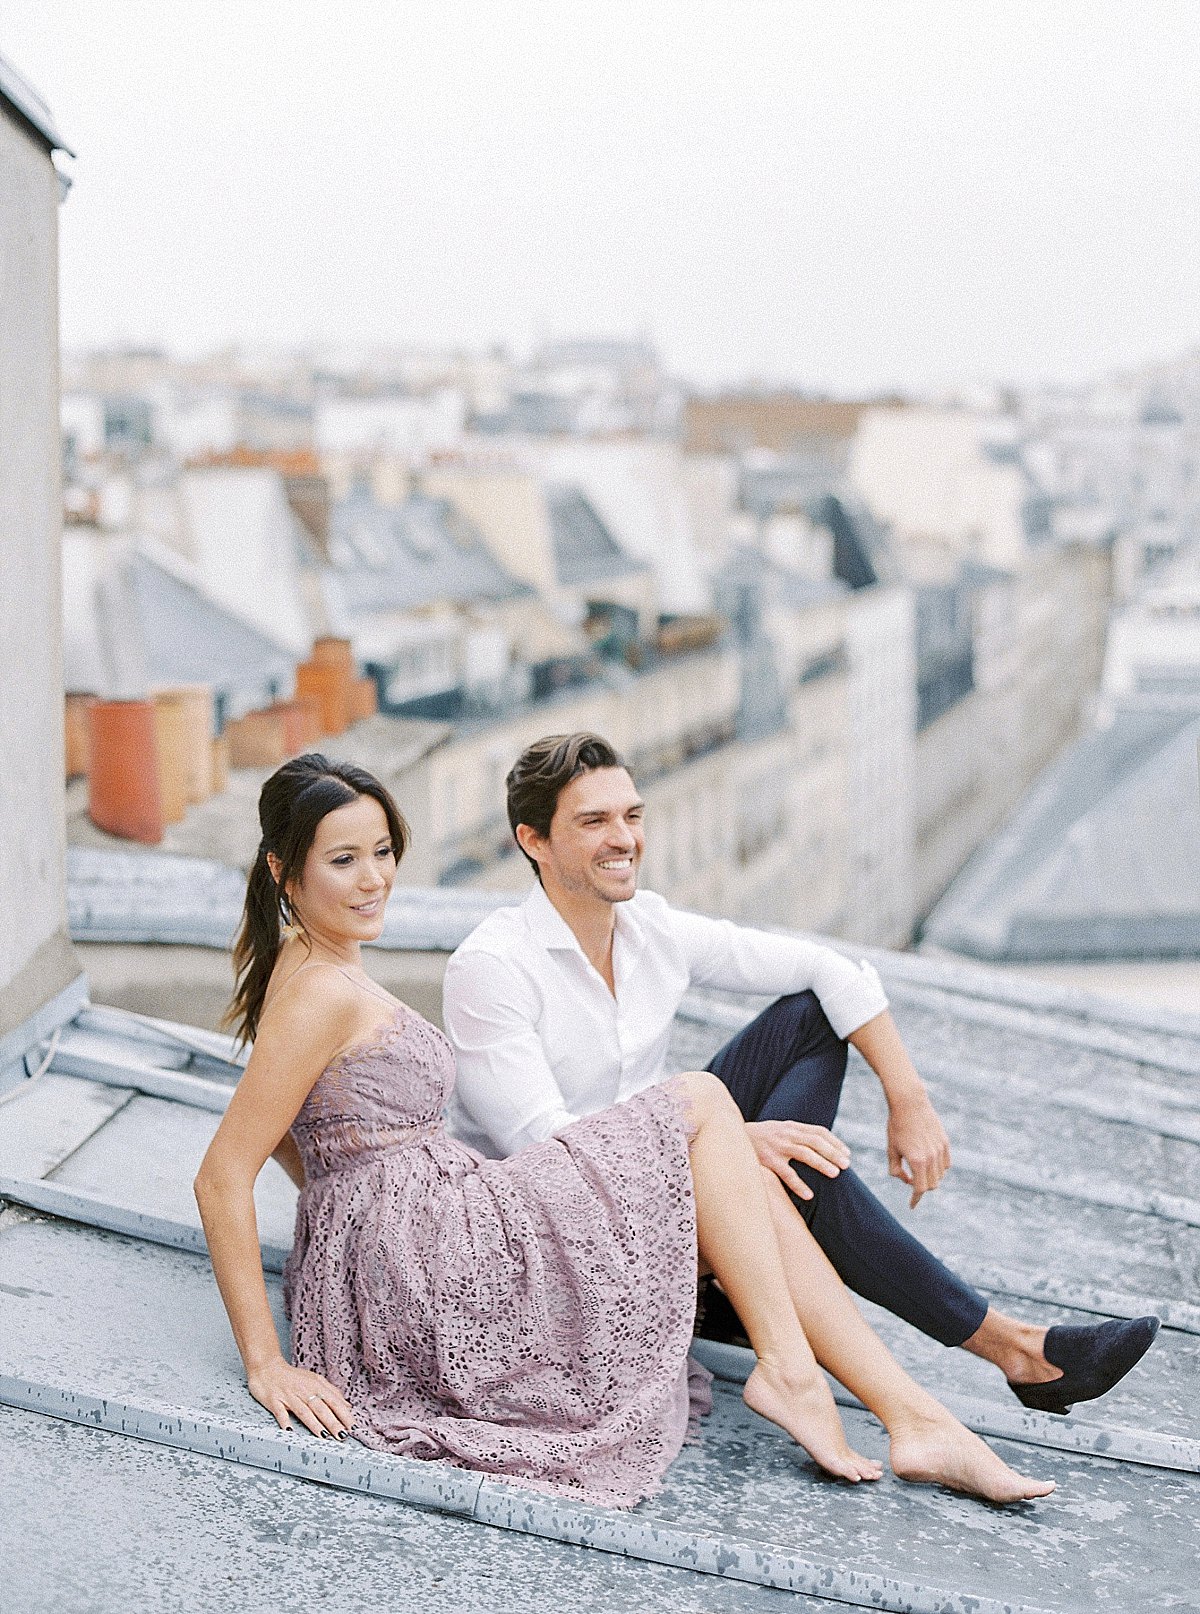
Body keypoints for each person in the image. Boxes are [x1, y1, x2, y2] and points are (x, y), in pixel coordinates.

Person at [195, 751, 1055, 1508]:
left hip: (419, 1232)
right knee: (702, 1102)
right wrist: (267, 1362)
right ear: (284, 869)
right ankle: (811, 1379)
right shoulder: (327, 988)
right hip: (435, 1250)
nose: (375, 878)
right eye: (344, 860)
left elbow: (293, 1127)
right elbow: (224, 1171)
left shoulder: (311, 971)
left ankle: (911, 1416)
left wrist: (356, 1211)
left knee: (738, 1149)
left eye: (383, 853)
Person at [442, 732, 1159, 1417]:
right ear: (532, 841)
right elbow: (548, 1154)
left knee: (812, 1015)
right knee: (765, 1164)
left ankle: (739, 1269)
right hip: (573, 1238)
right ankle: (1018, 1351)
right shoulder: (492, 968)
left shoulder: (650, 928)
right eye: (594, 822)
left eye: (632, 816)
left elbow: (829, 969)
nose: (625, 839)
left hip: (659, 1173)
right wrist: (726, 1144)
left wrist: (908, 1101)